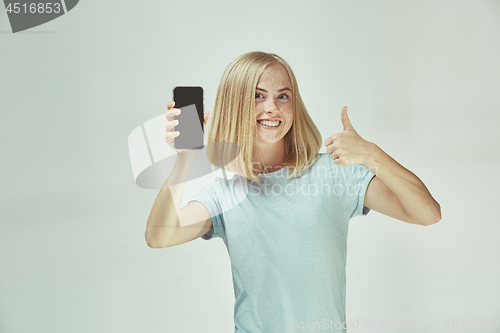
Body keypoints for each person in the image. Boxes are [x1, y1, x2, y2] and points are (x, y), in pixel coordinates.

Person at [145, 51, 441, 332]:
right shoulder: (224, 191)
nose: (271, 107)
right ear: (235, 104)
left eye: (282, 96)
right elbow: (159, 236)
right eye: (258, 96)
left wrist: (372, 155)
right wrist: (185, 160)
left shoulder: (335, 173)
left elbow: (427, 214)